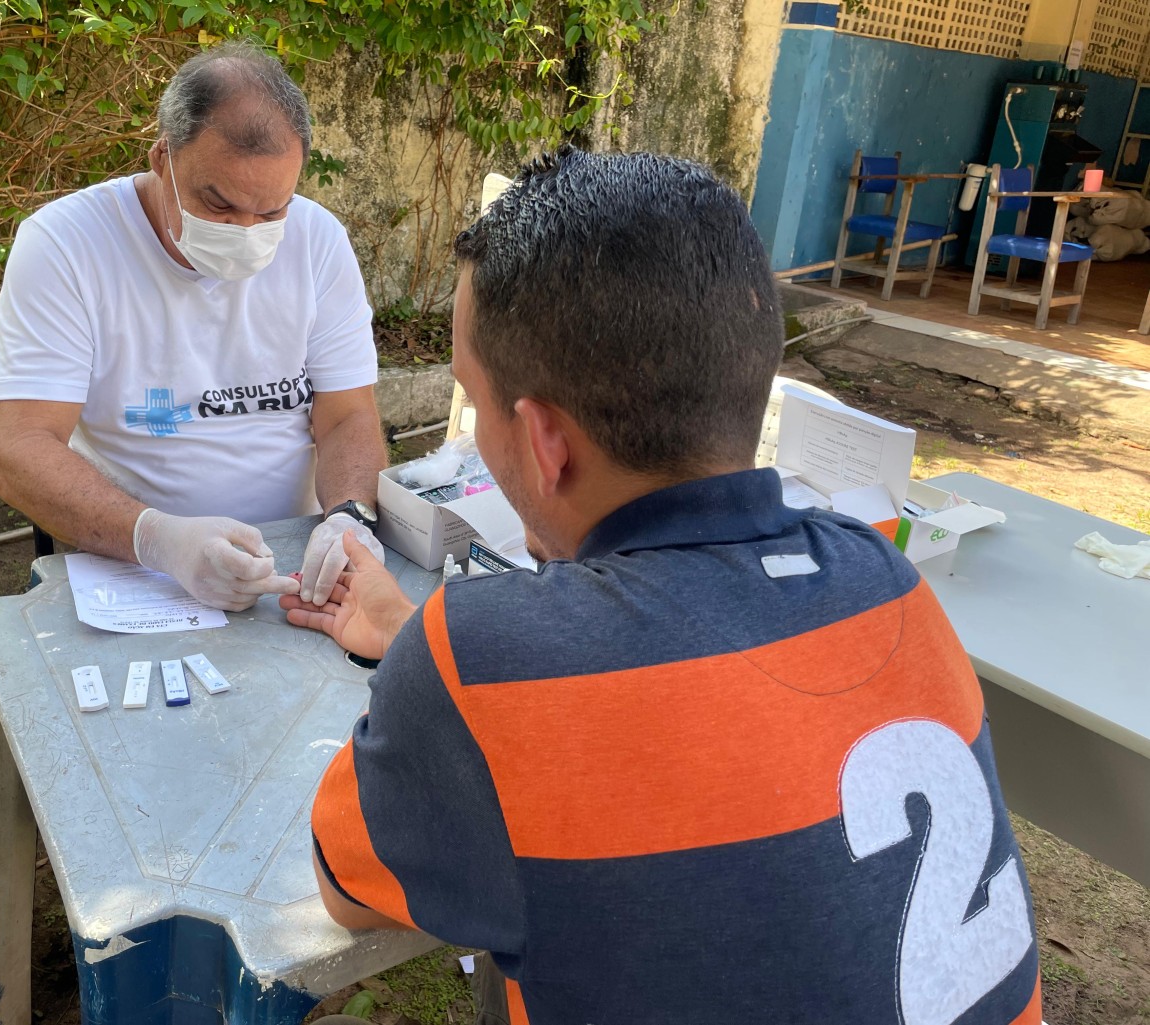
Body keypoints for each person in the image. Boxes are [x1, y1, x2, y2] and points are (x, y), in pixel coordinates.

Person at [281, 148, 1042, 1025]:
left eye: (474, 398)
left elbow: (347, 891)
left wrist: (428, 661)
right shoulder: (890, 583)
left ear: (544, 443)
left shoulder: (477, 662)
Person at [0, 41, 386, 610]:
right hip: (131, 570)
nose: (246, 230)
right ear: (162, 160)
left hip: (294, 561)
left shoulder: (318, 241)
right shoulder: (66, 245)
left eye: (272, 210)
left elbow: (348, 413)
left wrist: (347, 518)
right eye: (219, 204)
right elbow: (18, 448)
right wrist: (160, 540)